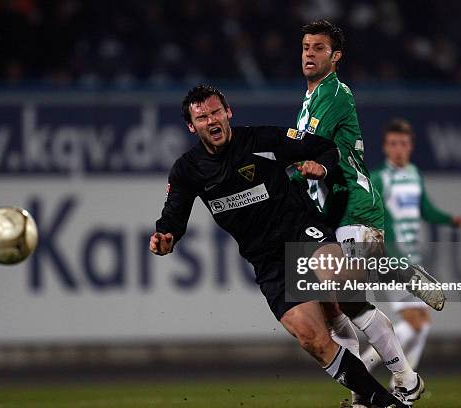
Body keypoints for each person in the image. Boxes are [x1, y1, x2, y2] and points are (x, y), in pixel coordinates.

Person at [150, 84, 412, 408]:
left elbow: (323, 147)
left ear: (228, 112)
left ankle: (402, 360)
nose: (212, 120)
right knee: (313, 339)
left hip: (301, 231)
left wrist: (323, 167)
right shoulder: (188, 170)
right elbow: (173, 217)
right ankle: (381, 401)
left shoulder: (263, 140)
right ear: (192, 126)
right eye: (202, 117)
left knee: (338, 283)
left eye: (216, 112)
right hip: (268, 262)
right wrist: (165, 236)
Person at [293, 20, 426, 407]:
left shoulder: (333, 93)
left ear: (335, 57)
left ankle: (405, 376)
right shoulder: (310, 98)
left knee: (349, 300)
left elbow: (308, 149)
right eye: (305, 47)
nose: (309, 54)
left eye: (319, 48)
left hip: (353, 205)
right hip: (331, 215)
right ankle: (361, 393)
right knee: (330, 308)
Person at [361, 118, 461, 376]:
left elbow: (426, 211)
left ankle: (403, 383)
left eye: (403, 144)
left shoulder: (414, 175)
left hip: (412, 257)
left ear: (411, 147)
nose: (398, 148)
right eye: (393, 144)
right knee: (414, 323)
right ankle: (369, 367)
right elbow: (374, 218)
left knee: (423, 324)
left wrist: (451, 220)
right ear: (386, 147)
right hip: (390, 259)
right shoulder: (378, 178)